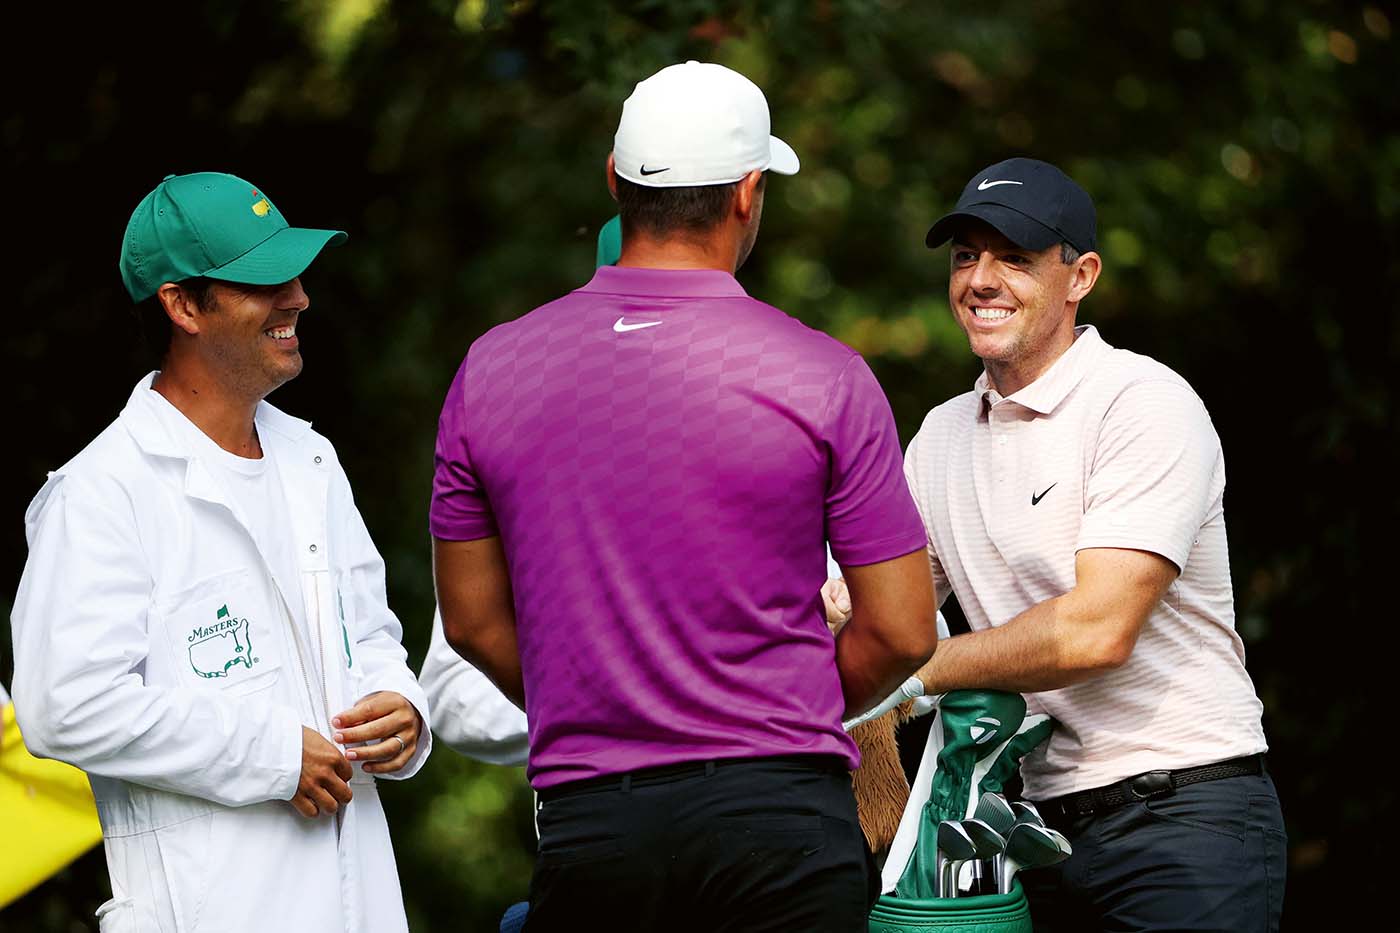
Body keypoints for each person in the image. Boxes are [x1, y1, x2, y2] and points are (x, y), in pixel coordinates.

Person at [430, 61, 938, 932]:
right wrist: (789, 704)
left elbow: (472, 624)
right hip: (780, 823)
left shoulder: (493, 368)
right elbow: (901, 629)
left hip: (596, 828)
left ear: (614, 183)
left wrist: (598, 700)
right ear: (748, 193)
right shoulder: (820, 373)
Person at [10, 172, 431, 933]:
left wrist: (400, 705)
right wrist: (268, 751)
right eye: (264, 279)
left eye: (296, 273)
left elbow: (370, 634)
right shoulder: (101, 491)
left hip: (359, 898)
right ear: (181, 305)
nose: (298, 295)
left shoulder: (311, 459)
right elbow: (62, 705)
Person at [895, 157, 1285, 930]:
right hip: (1028, 832)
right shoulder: (940, 435)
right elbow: (874, 601)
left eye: (1014, 257)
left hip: (1183, 814)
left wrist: (917, 670)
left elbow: (1095, 630)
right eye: (966, 255)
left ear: (1082, 276)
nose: (980, 278)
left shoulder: (1142, 403)